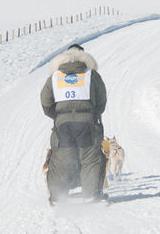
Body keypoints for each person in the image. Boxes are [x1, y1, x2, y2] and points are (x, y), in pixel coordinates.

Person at [40, 44, 108, 205]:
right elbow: (101, 101)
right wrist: (92, 114)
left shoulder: (55, 77)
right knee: (90, 158)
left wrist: (59, 117)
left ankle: (58, 196)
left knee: (61, 158)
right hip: (87, 122)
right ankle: (91, 195)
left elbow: (45, 102)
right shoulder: (92, 75)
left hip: (62, 123)